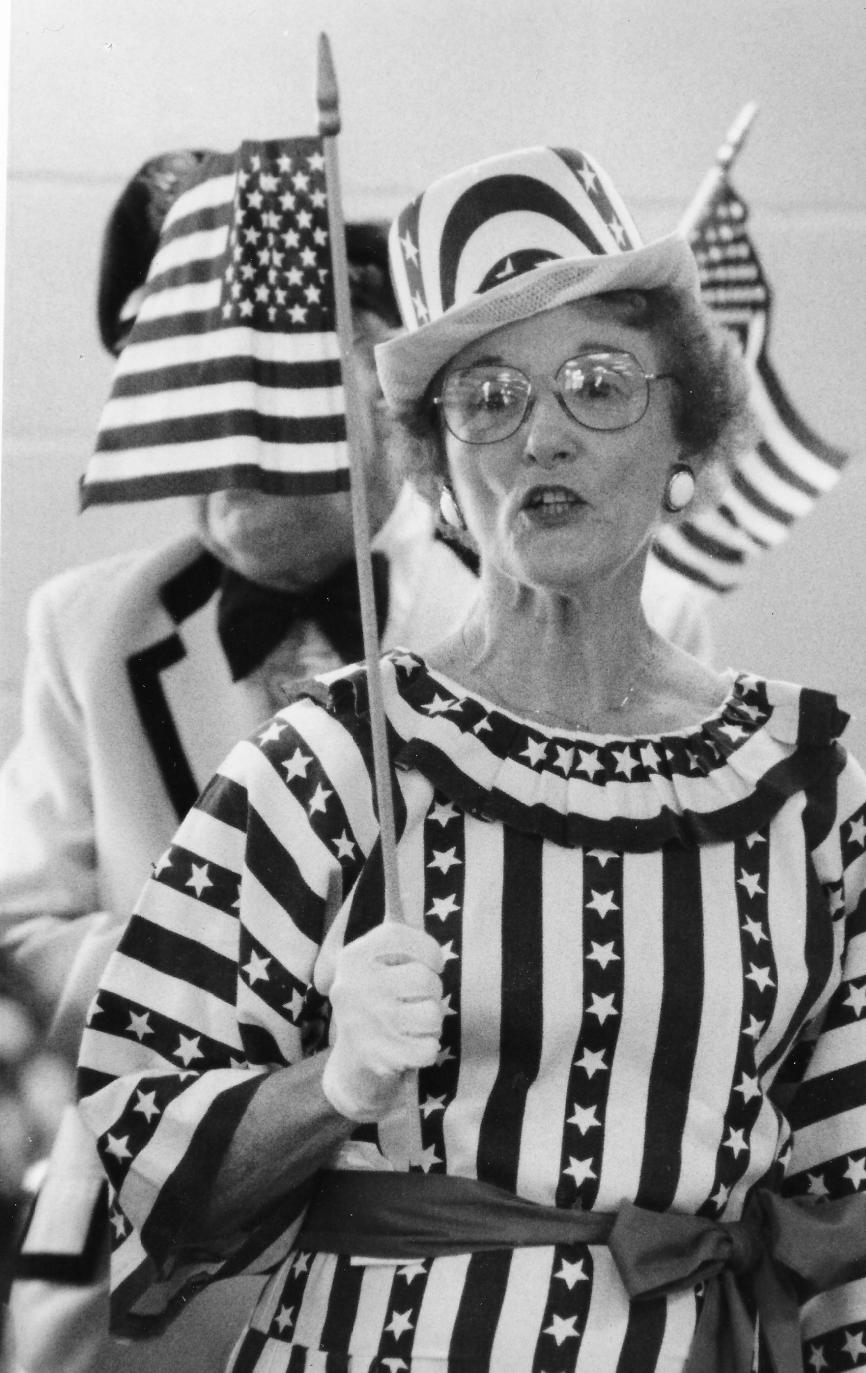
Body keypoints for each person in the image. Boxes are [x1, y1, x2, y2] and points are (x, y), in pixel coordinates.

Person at [76, 145, 866, 1371]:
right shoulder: (329, 759)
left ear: (684, 434)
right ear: (440, 472)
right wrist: (333, 1082)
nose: (542, 435)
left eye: (598, 383)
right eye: (488, 397)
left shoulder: (798, 787)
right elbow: (132, 1158)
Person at [2, 152, 480, 1373]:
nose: (221, 434)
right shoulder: (88, 626)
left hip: (458, 1255)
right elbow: (21, 938)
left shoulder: (532, 616)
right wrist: (238, 977)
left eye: (268, 384)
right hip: (158, 1267)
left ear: (382, 391)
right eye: (184, 392)